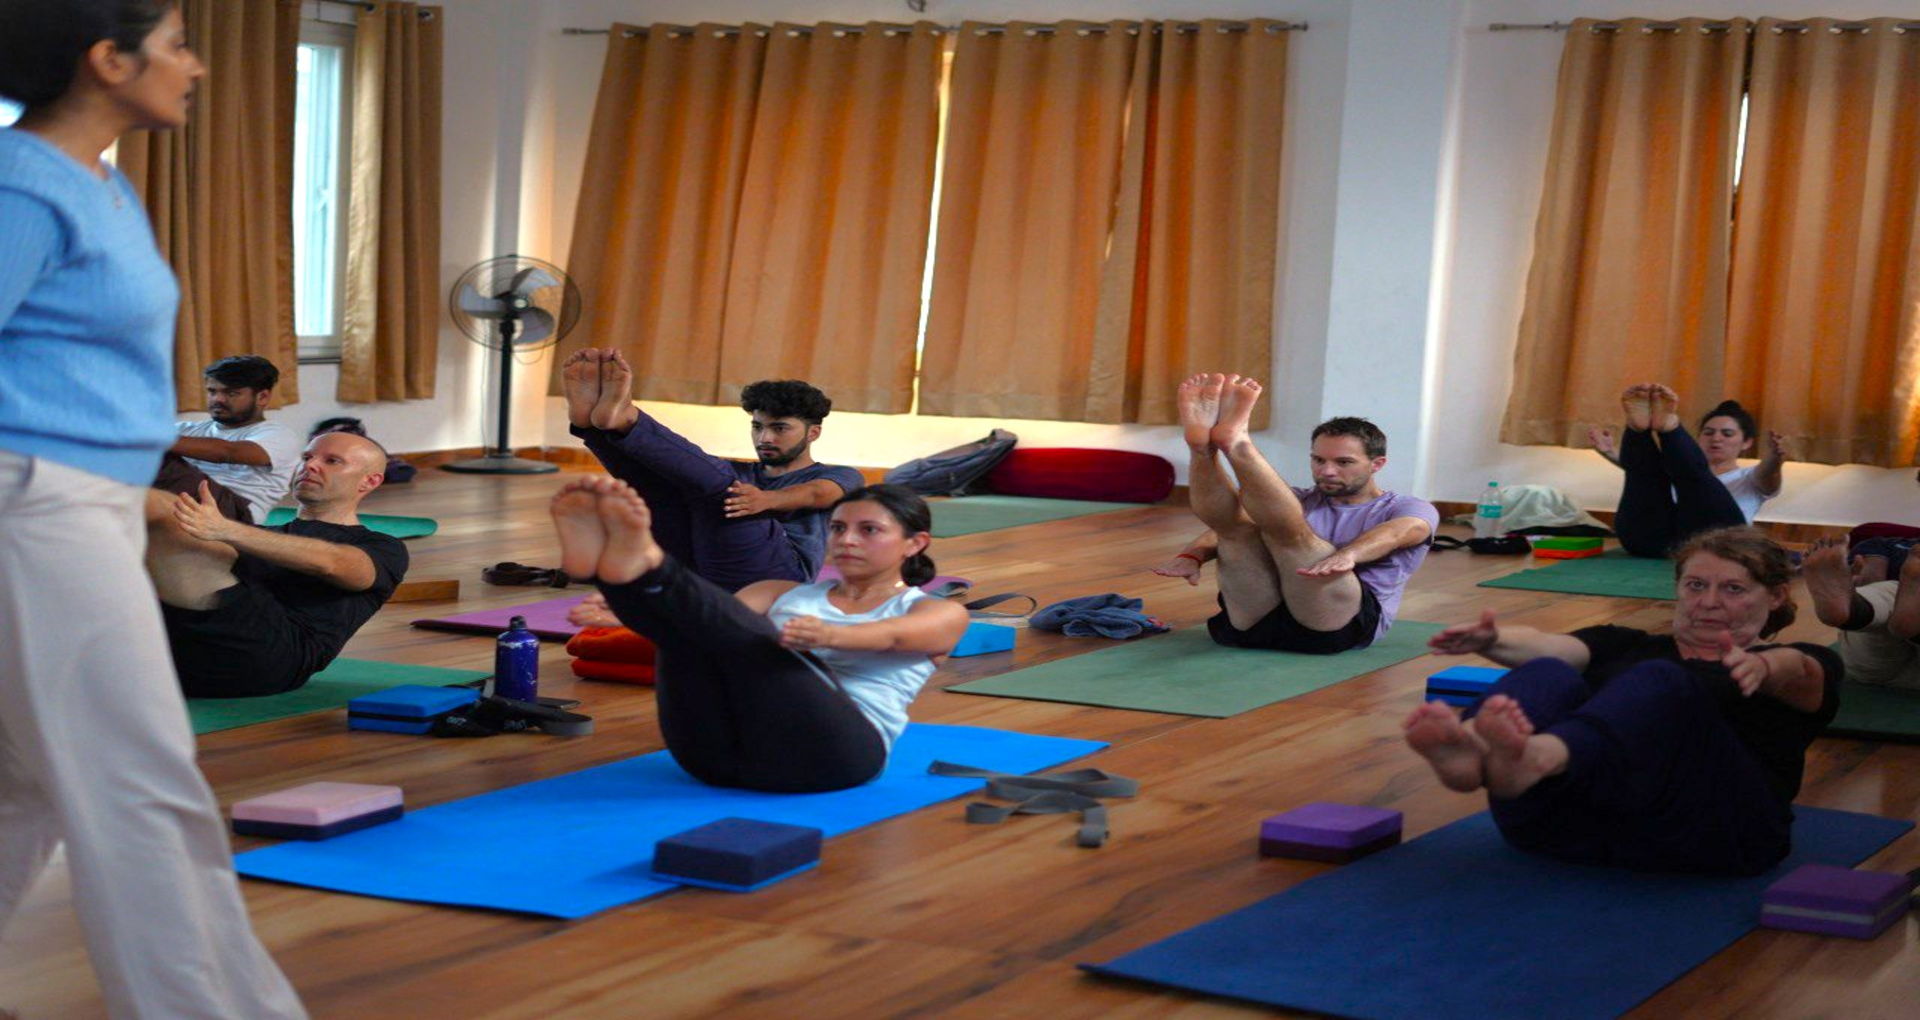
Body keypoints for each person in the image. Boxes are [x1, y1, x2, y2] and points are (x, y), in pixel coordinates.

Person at [0, 2, 307, 1016]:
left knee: (23, 787)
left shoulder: (102, 181)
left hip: (79, 503)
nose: (197, 65)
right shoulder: (22, 184)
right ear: (106, 59)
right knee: (142, 784)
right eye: (176, 43)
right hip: (34, 509)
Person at [1405, 526, 1839, 876]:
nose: (1708, 602)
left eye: (1733, 589)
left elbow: (1798, 669)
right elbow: (1547, 646)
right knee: (1548, 671)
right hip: (1555, 830)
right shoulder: (1624, 644)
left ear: (1775, 596)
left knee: (1659, 680)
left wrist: (1762, 667)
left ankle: (1540, 756)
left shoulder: (1793, 665)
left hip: (1710, 838)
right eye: (1695, 585)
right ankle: (1472, 751)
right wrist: (1492, 639)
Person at [552, 476, 969, 792]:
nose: (847, 540)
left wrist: (828, 635)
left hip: (833, 759)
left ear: (915, 543)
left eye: (869, 530)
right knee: (686, 639)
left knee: (761, 644)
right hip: (713, 758)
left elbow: (892, 637)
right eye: (838, 528)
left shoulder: (938, 612)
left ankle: (648, 565)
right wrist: (631, 615)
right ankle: (613, 574)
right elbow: (713, 626)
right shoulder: (777, 591)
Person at [1155, 373, 1437, 654]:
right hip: (1254, 624)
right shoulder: (1292, 501)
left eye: (1343, 462)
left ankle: (1238, 444)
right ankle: (1202, 450)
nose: (1327, 470)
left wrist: (1348, 555)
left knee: (1292, 535)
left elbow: (1395, 534)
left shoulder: (1408, 508)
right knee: (1236, 532)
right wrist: (1191, 556)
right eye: (1319, 460)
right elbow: (1224, 527)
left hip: (1334, 627)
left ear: (1377, 464)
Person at [562, 348, 865, 591]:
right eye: (757, 427)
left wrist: (767, 500)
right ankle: (592, 428)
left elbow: (817, 494)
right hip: (700, 575)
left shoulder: (840, 475)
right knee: (663, 488)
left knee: (722, 488)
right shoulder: (730, 473)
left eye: (780, 428)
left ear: (813, 433)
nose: (765, 438)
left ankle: (627, 419)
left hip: (779, 580)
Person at [148, 431, 408, 698]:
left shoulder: (382, 547)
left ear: (369, 481)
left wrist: (226, 529)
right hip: (181, 660)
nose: (310, 465)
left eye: (332, 461)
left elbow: (334, 564)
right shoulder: (259, 534)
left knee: (172, 511)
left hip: (268, 662)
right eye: (306, 458)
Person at [1609, 384, 1786, 557]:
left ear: (1747, 442)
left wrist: (1775, 458)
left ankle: (1670, 429)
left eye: (1727, 434)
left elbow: (1766, 474)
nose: (1716, 438)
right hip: (1650, 542)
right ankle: (1637, 431)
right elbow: (1641, 472)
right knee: (1644, 479)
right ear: (1697, 438)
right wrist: (1610, 452)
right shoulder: (1674, 467)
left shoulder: (1750, 476)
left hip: (1719, 544)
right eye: (1708, 433)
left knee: (1692, 476)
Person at [155, 354, 302, 523]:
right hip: (187, 501)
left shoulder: (279, 435)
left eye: (231, 393)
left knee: (154, 451)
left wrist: (149, 438)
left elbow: (228, 452)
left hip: (236, 514)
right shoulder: (187, 430)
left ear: (262, 397)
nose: (218, 399)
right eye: (212, 391)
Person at [1804, 536, 1920, 691]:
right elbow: (1869, 581)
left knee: (1891, 591)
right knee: (1889, 590)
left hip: (1867, 667)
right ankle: (1852, 608)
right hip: (1877, 654)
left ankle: (1857, 610)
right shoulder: (1882, 544)